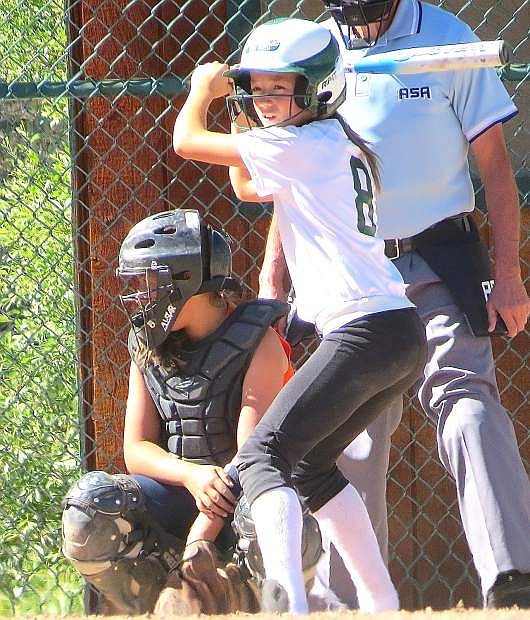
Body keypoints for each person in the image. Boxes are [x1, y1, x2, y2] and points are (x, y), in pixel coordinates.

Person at [258, 0, 530, 609]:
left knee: (464, 397)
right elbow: (296, 173)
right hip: (354, 265)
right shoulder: (315, 48)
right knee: (350, 429)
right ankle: (356, 600)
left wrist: (508, 274)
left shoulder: (445, 39)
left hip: (439, 250)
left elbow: (496, 169)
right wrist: (273, 275)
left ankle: (512, 578)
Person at [172, 16, 428, 613]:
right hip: (394, 332)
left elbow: (185, 141)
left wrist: (201, 92)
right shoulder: (327, 144)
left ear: (317, 89)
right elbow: (244, 185)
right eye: (255, 88)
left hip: (367, 332)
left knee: (262, 459)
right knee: (310, 466)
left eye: (279, 89)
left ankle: (286, 604)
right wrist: (241, 111)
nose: (264, 101)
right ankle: (380, 602)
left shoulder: (302, 146)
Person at [61, 208, 324, 615]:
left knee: (275, 519)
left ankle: (237, 591)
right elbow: (137, 450)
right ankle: (167, 597)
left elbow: (253, 453)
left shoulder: (260, 342)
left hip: (241, 503)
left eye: (151, 282)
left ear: (187, 281)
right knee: (90, 506)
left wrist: (203, 534)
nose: (142, 295)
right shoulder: (148, 343)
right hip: (182, 496)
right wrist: (193, 475)